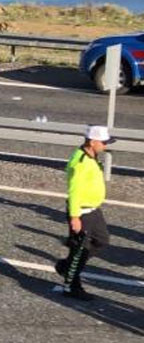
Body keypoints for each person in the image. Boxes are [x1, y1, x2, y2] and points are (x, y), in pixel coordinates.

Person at [55, 125, 115, 301]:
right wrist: (75, 217)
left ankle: (66, 266)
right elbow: (74, 191)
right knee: (79, 250)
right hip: (82, 212)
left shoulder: (92, 156)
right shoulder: (80, 162)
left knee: (102, 240)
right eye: (103, 142)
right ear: (93, 142)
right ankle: (71, 286)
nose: (105, 145)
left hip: (93, 210)